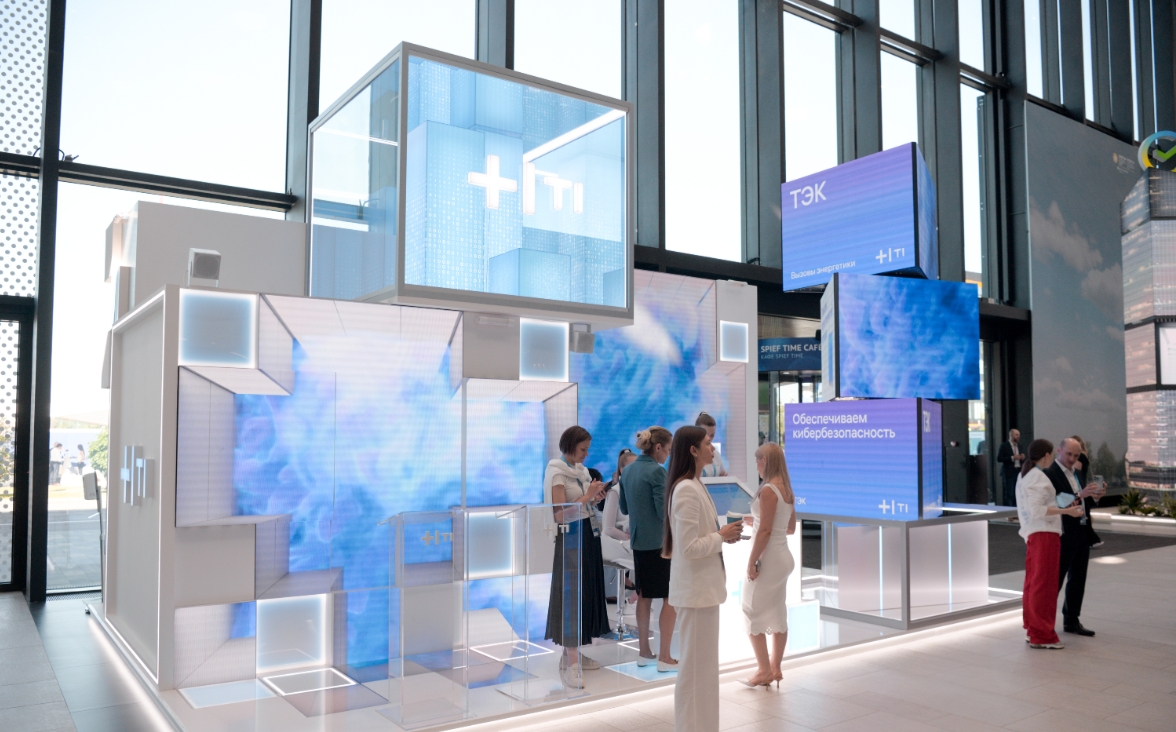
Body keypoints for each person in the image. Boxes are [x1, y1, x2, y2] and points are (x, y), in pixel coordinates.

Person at [664, 425, 743, 732]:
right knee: (694, 673)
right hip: (696, 594)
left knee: (704, 673)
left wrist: (723, 536)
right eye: (708, 443)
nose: (713, 448)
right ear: (693, 450)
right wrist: (720, 536)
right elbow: (688, 548)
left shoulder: (695, 484)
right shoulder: (686, 488)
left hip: (704, 593)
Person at [544, 426, 610, 688]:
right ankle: (572, 663)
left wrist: (594, 499)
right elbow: (560, 515)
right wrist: (587, 497)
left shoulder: (582, 472)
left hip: (588, 535)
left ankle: (572, 654)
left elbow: (582, 505)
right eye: (583, 449)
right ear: (570, 446)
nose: (586, 454)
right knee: (571, 596)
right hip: (571, 537)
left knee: (585, 594)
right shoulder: (557, 472)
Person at [619, 427, 678, 671]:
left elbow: (624, 508)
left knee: (644, 595)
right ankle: (665, 656)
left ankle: (644, 652)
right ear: (658, 447)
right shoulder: (657, 472)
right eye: (668, 450)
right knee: (670, 597)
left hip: (638, 543)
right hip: (660, 544)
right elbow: (663, 512)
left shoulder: (628, 470)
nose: (669, 455)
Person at [1017, 439, 1085, 648]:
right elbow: (1037, 510)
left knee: (1034, 584)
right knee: (1044, 586)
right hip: (1045, 535)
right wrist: (1067, 511)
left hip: (1036, 534)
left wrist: (1070, 503)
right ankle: (1042, 635)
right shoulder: (1038, 476)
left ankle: (1033, 629)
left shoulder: (1026, 475)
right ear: (1047, 454)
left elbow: (1040, 505)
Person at [739, 442, 796, 688]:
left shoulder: (768, 490)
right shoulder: (787, 490)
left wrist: (752, 562)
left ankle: (764, 670)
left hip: (769, 558)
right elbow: (789, 528)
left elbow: (765, 531)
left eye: (757, 460)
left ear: (765, 461)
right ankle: (775, 668)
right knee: (777, 611)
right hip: (783, 558)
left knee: (750, 610)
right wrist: (758, 521)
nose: (756, 466)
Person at [1044, 437, 1106, 637]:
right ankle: (1044, 624)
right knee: (1056, 580)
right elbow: (1056, 503)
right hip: (1062, 533)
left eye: (1076, 455)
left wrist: (1094, 496)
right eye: (1068, 454)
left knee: (1078, 579)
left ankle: (1071, 620)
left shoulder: (1077, 473)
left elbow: (1083, 502)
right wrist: (1081, 494)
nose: (1071, 458)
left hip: (1081, 531)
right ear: (1059, 450)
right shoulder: (1049, 474)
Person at [601, 450, 637, 603]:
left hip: (629, 539)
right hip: (615, 542)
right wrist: (628, 537)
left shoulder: (636, 489)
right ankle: (641, 592)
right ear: (622, 470)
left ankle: (642, 592)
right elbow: (608, 528)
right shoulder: (615, 492)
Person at [1071, 435, 1104, 549]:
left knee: (1083, 513)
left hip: (1079, 486)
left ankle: (1091, 540)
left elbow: (1076, 472)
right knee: (1085, 513)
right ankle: (1092, 539)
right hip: (1083, 485)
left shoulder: (1080, 457)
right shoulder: (1085, 455)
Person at [997, 429, 1024, 507]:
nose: (1018, 436)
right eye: (1016, 435)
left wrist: (1022, 458)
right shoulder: (1004, 446)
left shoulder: (1020, 446)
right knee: (1010, 493)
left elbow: (1021, 460)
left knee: (1017, 492)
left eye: (1019, 435)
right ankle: (1009, 510)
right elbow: (999, 458)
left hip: (1018, 471)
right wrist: (1012, 458)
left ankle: (1016, 510)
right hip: (1009, 472)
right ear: (1011, 435)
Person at [695, 412, 728, 477]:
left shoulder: (716, 455)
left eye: (712, 435)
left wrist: (723, 477)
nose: (709, 438)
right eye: (706, 434)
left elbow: (723, 474)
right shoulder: (690, 456)